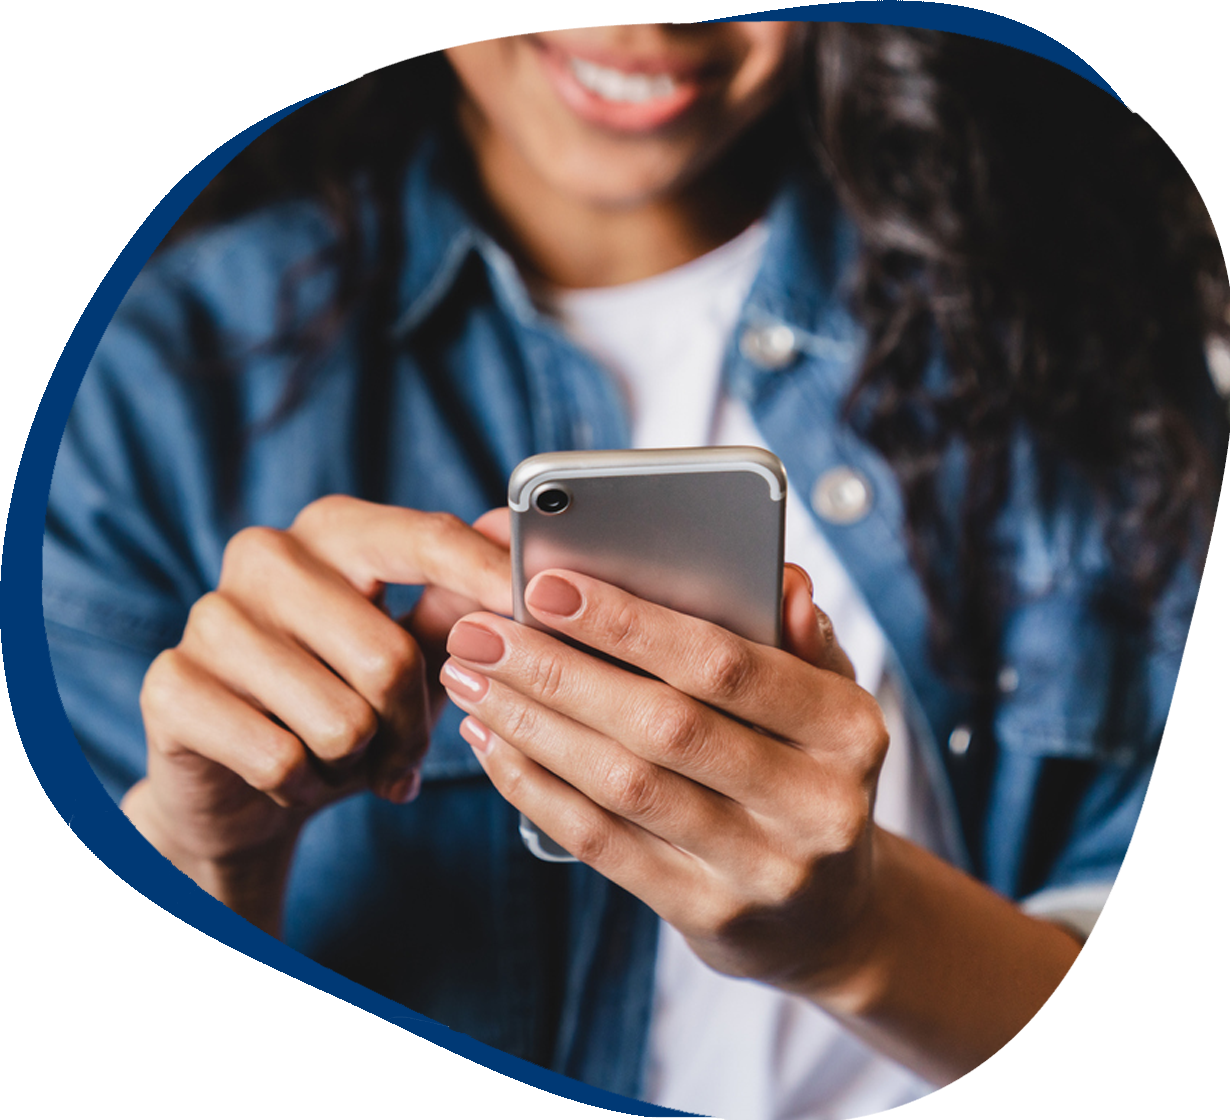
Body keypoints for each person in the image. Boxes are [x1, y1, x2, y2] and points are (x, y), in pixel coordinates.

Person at [40, 19, 1230, 1120]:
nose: (642, 23)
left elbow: (1199, 1035)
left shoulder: (1079, 328)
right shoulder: (133, 398)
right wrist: (208, 864)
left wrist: (858, 933)